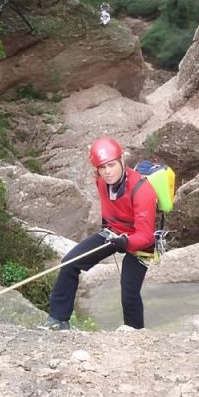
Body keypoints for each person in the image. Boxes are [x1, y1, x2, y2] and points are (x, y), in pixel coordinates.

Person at [41, 136, 158, 330]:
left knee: (129, 291)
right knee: (70, 263)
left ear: (121, 160)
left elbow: (146, 236)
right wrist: (117, 238)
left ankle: (134, 333)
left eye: (111, 165)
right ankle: (58, 319)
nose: (107, 172)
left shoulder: (142, 190)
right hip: (113, 232)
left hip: (142, 241)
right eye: (102, 167)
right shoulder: (101, 181)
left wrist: (125, 242)